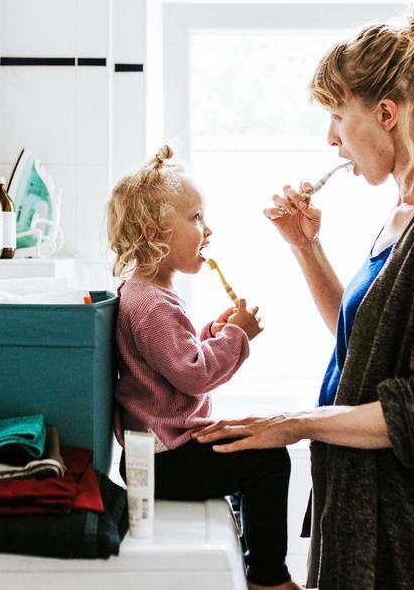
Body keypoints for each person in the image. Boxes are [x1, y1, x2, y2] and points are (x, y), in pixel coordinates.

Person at [196, 3, 414, 589]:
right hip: (366, 512)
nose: (331, 140)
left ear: (387, 113)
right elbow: (365, 349)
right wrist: (306, 248)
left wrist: (295, 422)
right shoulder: (403, 217)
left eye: (338, 117)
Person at [106, 145, 296, 590]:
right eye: (195, 219)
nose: (207, 230)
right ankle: (268, 578)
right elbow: (193, 373)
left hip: (162, 454)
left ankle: (253, 555)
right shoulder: (151, 304)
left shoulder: (145, 295)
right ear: (154, 233)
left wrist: (211, 331)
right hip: (167, 461)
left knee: (252, 444)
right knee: (268, 460)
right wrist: (237, 337)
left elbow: (171, 358)